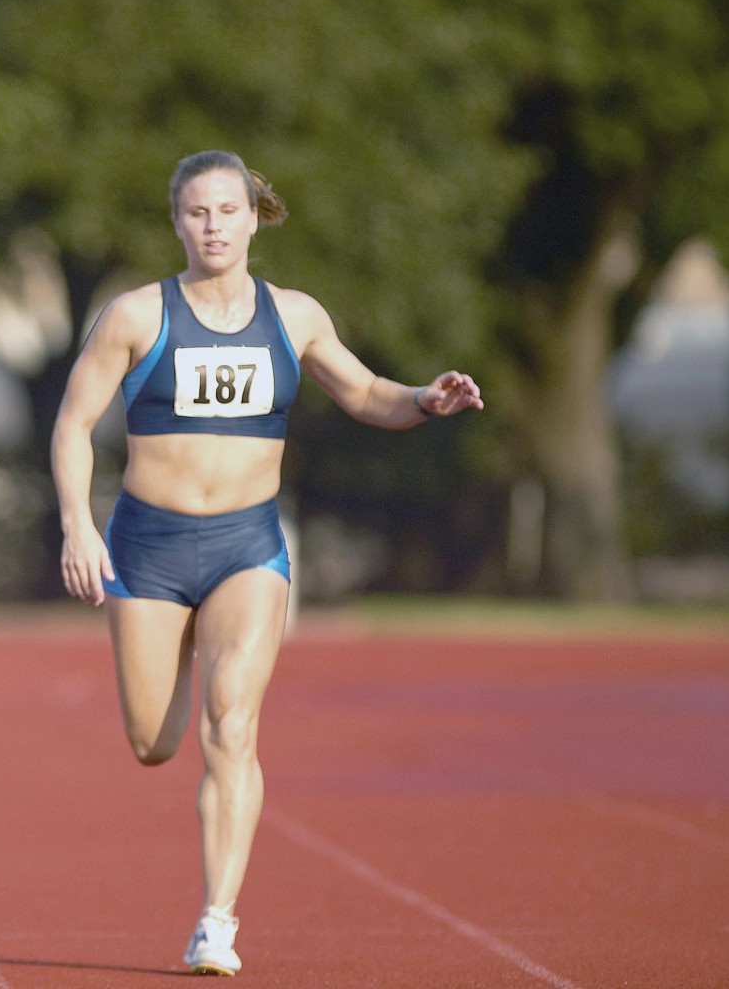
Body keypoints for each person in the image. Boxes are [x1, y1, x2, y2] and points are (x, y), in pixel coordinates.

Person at [50, 150, 484, 977]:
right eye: (196, 213)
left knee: (232, 726)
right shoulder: (136, 316)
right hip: (147, 548)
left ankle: (217, 921)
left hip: (248, 546)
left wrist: (424, 401)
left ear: (256, 217)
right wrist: (78, 525)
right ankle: (175, 650)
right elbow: (72, 425)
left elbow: (363, 393)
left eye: (227, 210)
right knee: (151, 741)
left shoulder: (294, 317)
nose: (213, 226)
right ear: (177, 222)